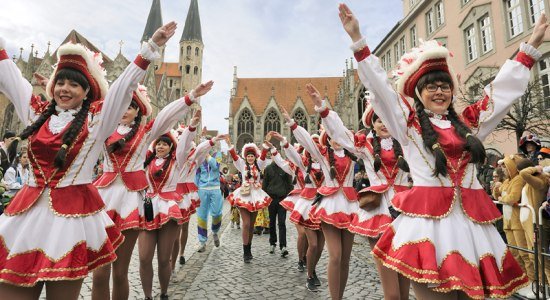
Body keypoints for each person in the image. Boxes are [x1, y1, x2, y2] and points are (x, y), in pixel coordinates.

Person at [338, 3, 548, 298]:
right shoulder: (407, 124)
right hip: (429, 230)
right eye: (432, 87)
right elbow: (383, 91)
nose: (440, 92)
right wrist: (359, 42)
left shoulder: (470, 124)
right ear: (419, 93)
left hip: (474, 229)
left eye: (444, 86)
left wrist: (530, 47)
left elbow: (499, 94)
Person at [0, 21, 173, 299]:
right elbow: (10, 79)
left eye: (73, 84)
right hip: (26, 218)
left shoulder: (96, 122)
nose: (64, 89)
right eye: (60, 82)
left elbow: (122, 88)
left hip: (68, 225)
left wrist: (150, 48)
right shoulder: (35, 114)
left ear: (87, 91)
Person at [91, 81, 212, 300]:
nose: (124, 110)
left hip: (130, 201)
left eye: (129, 106)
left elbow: (166, 116)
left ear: (138, 110)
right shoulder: (103, 130)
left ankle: (162, 287)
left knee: (120, 272)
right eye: (121, 106)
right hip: (104, 200)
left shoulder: (145, 134)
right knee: (99, 274)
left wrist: (191, 96)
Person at [317, 95, 412, 299]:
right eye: (379, 120)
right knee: (393, 294)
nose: (384, 124)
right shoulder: (365, 146)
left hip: (407, 212)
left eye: (387, 119)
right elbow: (341, 134)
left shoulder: (407, 142)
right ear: (372, 124)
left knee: (405, 289)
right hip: (378, 212)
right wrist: (324, 110)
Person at [282, 105, 359, 300]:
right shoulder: (323, 156)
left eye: (339, 135)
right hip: (329, 207)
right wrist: (292, 125)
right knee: (335, 255)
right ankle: (317, 281)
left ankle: (339, 295)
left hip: (350, 207)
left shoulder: (355, 154)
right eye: (332, 135)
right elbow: (307, 142)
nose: (337, 139)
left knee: (345, 259)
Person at [270, 131, 324, 290]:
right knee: (308, 239)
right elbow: (283, 160)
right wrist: (280, 144)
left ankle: (310, 266)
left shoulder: (326, 164)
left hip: (322, 205)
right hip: (303, 203)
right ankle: (306, 266)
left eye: (317, 146)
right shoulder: (300, 165)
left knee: (319, 247)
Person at [225, 138, 271, 263]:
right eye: (248, 156)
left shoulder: (259, 164)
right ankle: (245, 251)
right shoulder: (242, 165)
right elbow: (234, 157)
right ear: (246, 157)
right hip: (244, 195)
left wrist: (266, 144)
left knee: (251, 225)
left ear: (254, 157)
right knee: (246, 223)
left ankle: (249, 248)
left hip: (256, 195)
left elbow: (263, 154)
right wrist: (229, 145)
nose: (250, 157)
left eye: (252, 155)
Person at [262, 141, 293, 257]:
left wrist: (289, 197)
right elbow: (264, 184)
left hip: (282, 199)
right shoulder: (268, 169)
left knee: (281, 223)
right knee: (271, 223)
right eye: (274, 156)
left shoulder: (285, 168)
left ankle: (283, 246)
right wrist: (265, 198)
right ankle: (272, 242)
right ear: (272, 157)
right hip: (271, 198)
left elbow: (289, 185)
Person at [195, 148, 225, 251]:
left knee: (217, 214)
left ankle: (215, 231)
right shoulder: (199, 157)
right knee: (201, 216)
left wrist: (207, 155)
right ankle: (202, 242)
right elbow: (197, 174)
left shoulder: (218, 153)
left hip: (215, 188)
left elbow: (216, 167)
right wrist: (194, 190)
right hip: (202, 189)